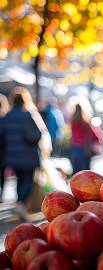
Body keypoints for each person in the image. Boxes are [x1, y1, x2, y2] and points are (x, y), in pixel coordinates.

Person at [1, 87, 50, 218]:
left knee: (19, 180)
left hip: (12, 156)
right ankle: (21, 204)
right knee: (27, 180)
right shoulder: (29, 115)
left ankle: (19, 203)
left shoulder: (7, 116)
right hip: (29, 155)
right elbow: (39, 134)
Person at [70, 104, 103, 174]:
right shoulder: (86, 123)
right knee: (85, 173)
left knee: (76, 172)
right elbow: (94, 135)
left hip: (75, 149)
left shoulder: (73, 122)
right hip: (84, 150)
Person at [0, 94, 9, 202]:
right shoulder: (6, 118)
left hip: (4, 149)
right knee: (2, 173)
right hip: (3, 150)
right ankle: (1, 193)